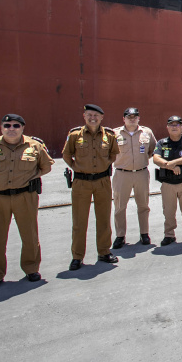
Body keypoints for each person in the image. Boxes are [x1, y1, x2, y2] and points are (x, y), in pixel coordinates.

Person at [0, 114, 54, 289]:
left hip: (25, 196)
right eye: (7, 125)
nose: (11, 129)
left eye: (15, 125)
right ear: (1, 128)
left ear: (22, 128)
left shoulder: (35, 145)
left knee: (30, 235)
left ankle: (31, 269)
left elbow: (46, 167)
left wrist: (30, 178)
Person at [62, 104, 120, 270]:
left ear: (101, 117)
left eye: (96, 115)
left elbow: (113, 154)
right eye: (89, 115)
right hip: (81, 182)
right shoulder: (75, 135)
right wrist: (77, 168)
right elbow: (66, 155)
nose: (92, 118)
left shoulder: (109, 135)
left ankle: (104, 251)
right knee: (79, 221)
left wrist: (103, 165)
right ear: (84, 116)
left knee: (103, 218)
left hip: (102, 181)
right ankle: (77, 256)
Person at [111, 107, 157, 248]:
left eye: (135, 117)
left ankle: (144, 233)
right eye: (129, 117)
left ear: (139, 118)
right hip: (122, 174)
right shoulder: (114, 133)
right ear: (123, 119)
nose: (132, 119)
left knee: (143, 205)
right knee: (119, 206)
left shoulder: (147, 132)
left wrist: (141, 161)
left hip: (141, 173)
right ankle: (120, 236)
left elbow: (153, 149)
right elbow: (109, 152)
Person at [153, 115, 182, 246]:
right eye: (171, 125)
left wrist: (174, 162)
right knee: (168, 211)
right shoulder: (162, 143)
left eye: (177, 124)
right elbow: (156, 158)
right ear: (167, 127)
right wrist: (169, 166)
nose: (174, 127)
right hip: (168, 183)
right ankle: (169, 235)